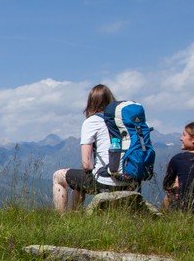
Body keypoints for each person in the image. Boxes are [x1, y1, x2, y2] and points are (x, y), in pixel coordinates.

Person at [52, 84, 137, 212]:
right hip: (131, 181)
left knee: (58, 176)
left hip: (106, 182)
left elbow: (87, 165)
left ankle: (62, 218)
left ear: (90, 103)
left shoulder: (92, 122)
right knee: (79, 180)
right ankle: (74, 217)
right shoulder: (124, 122)